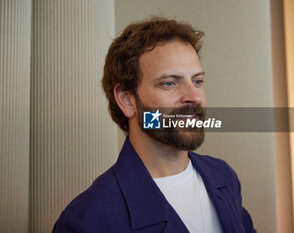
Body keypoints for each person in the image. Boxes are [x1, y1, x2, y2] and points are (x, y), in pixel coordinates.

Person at [52, 17, 256, 233]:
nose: (193, 96)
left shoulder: (224, 177)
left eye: (197, 81)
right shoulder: (89, 219)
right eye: (169, 83)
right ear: (127, 100)